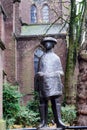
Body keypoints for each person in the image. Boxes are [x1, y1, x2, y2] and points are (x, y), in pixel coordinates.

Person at [35, 37, 64, 128]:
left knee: (56, 101)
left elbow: (61, 72)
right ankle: (43, 122)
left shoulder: (56, 58)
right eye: (45, 43)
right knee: (43, 101)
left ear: (53, 45)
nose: (46, 44)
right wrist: (39, 74)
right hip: (44, 82)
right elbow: (39, 71)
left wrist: (55, 73)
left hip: (54, 83)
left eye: (49, 43)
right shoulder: (42, 58)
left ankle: (59, 121)